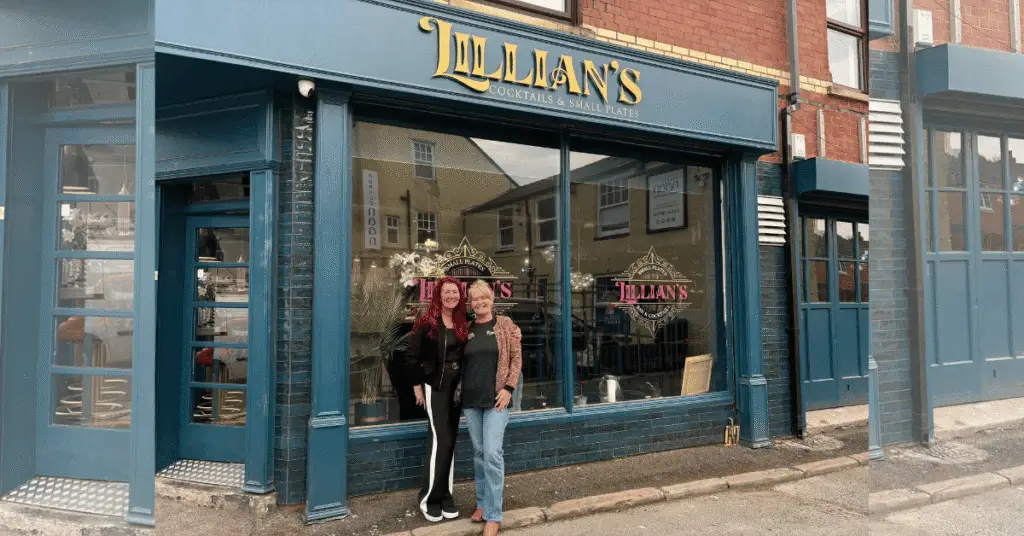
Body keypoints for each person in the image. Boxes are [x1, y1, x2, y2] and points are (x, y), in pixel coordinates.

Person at [404, 276, 469, 522]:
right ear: (439, 295)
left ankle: (445, 496)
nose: (451, 296)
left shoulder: (463, 322)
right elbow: (411, 356)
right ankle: (429, 498)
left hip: (456, 390)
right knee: (441, 440)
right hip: (436, 387)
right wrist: (417, 386)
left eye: (455, 292)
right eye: (447, 292)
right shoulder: (427, 322)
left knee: (450, 442)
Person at [462, 280, 523, 536]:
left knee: (492, 453)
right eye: (475, 299)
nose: (479, 302)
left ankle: (494, 514)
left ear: (492, 299)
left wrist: (508, 388)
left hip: (497, 399)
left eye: (483, 297)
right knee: (479, 452)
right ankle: (482, 503)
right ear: (470, 304)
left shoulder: (506, 325)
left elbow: (516, 359)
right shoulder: (465, 328)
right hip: (470, 400)